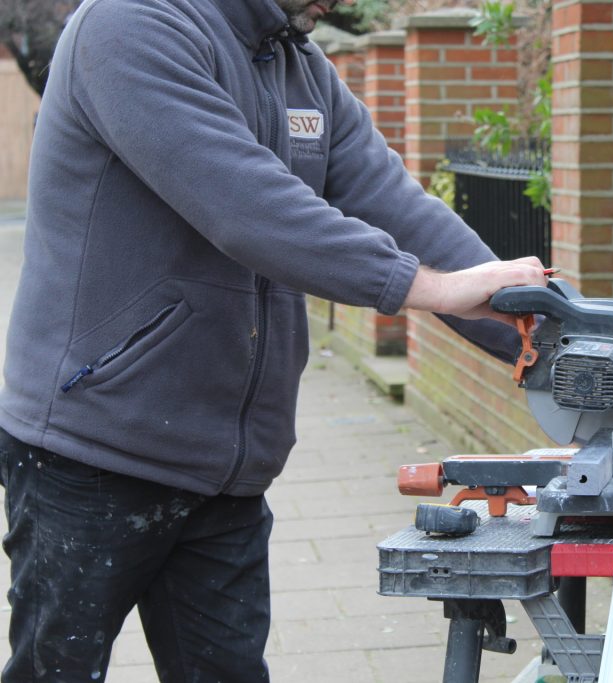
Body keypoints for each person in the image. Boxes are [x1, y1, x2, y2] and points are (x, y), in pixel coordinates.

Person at [0, 0, 548, 679]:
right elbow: (244, 204)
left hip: (224, 467)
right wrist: (429, 288)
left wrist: (560, 343)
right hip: (93, 449)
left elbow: (398, 206)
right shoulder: (129, 25)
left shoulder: (299, 66)